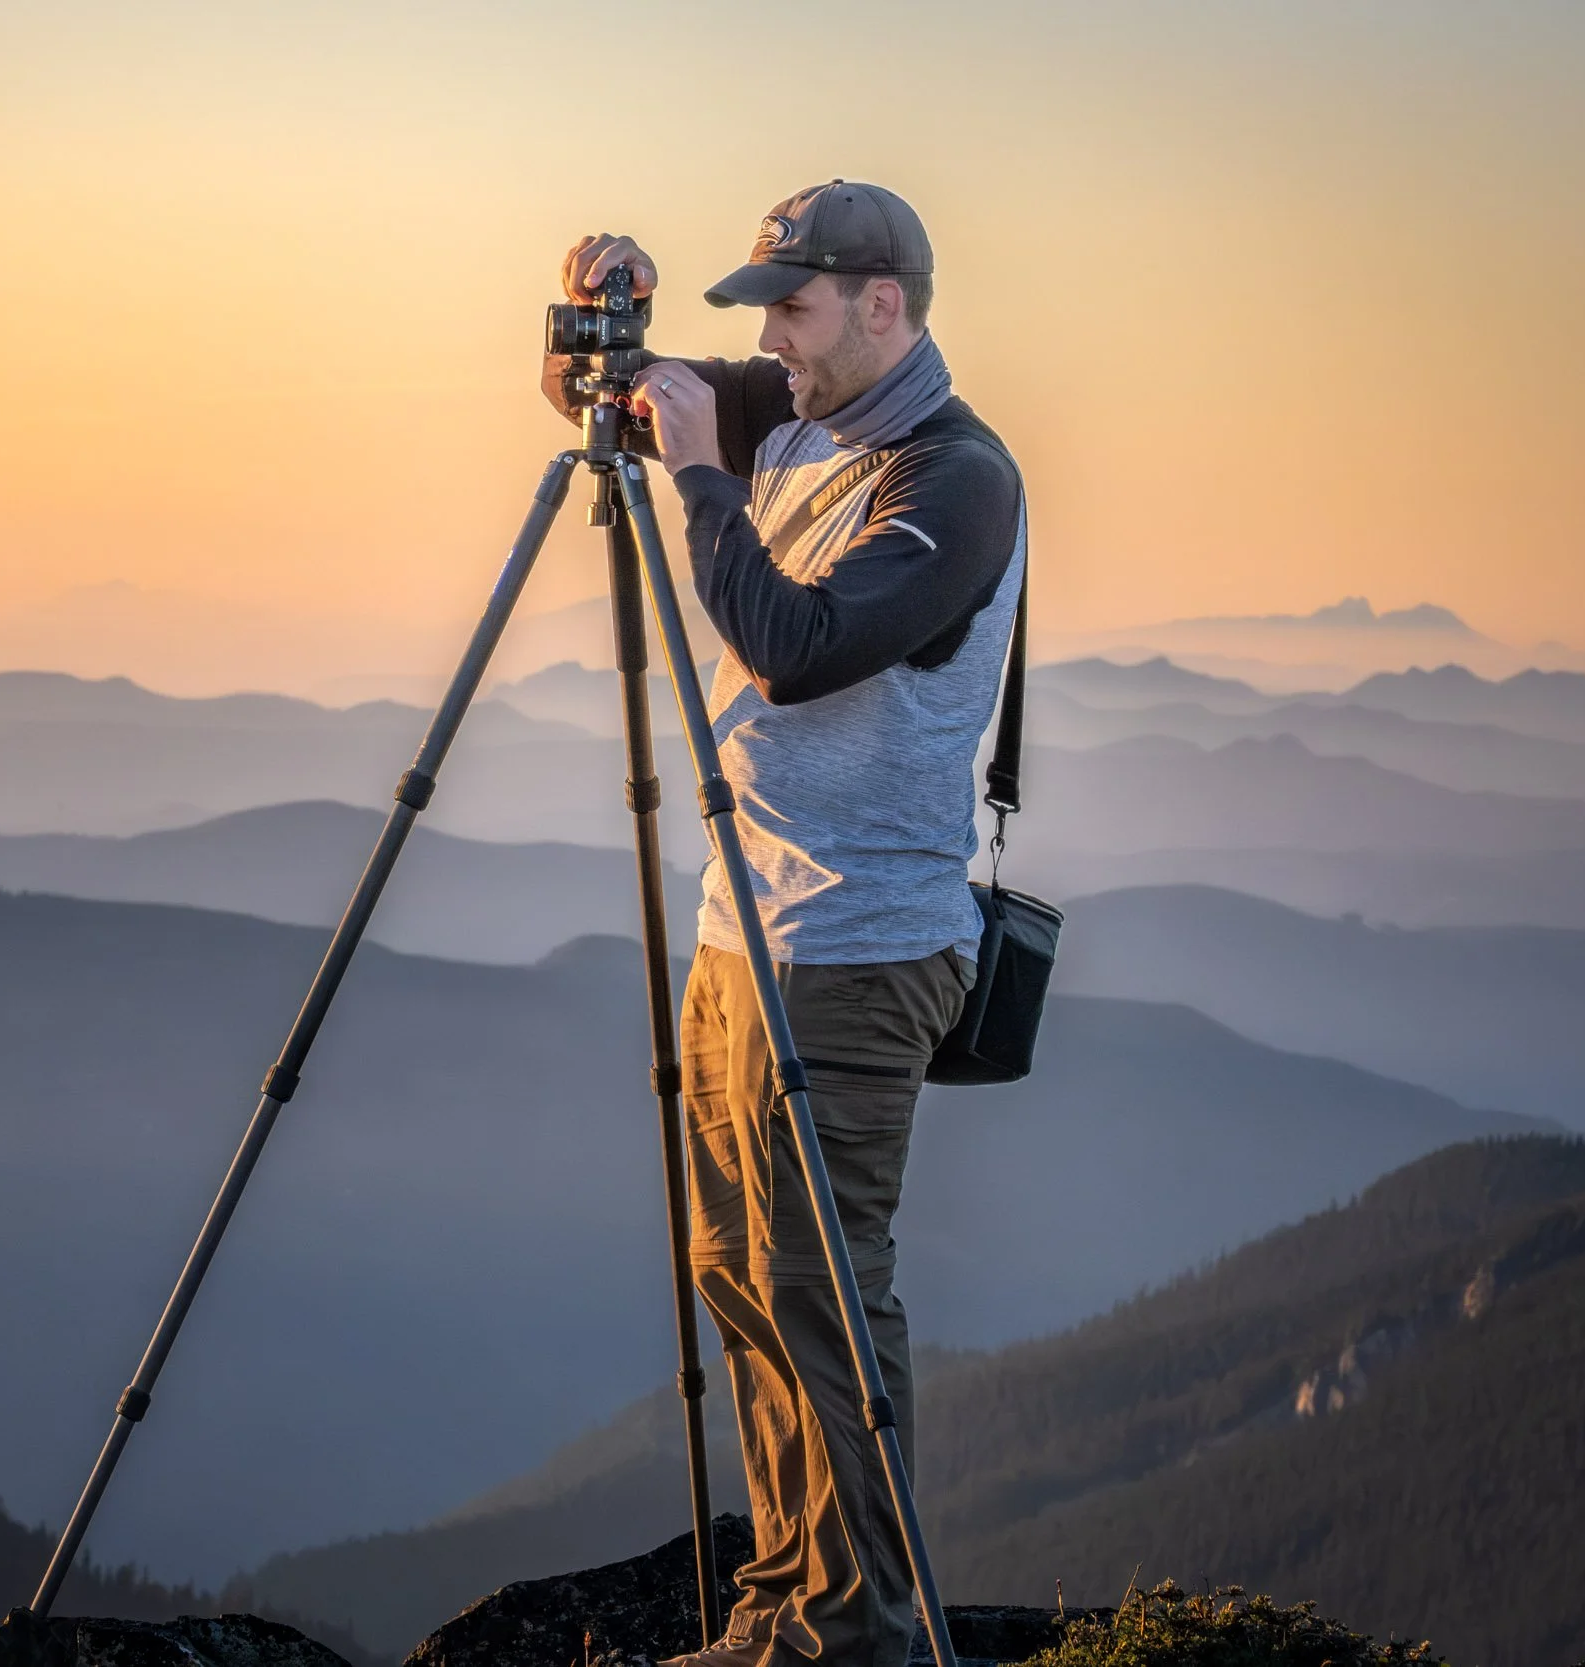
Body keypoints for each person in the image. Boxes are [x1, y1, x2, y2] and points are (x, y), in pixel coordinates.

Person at [545, 181, 1025, 1667]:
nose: (772, 341)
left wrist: (700, 481)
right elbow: (606, 392)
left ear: (886, 306)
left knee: (822, 1288)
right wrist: (589, 327)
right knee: (740, 1277)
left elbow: (796, 647)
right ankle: (786, 1605)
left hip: (864, 945)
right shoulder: (804, 411)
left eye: (795, 310)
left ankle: (859, 1634)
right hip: (743, 925)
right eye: (762, 312)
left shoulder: (954, 478)